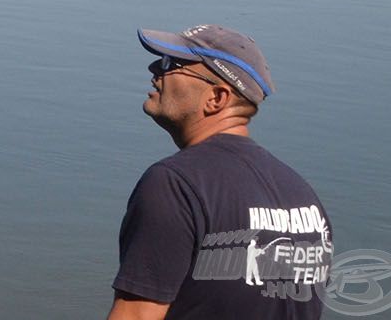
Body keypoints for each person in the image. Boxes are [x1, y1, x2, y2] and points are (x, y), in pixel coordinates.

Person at [109, 24, 331, 319]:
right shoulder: (303, 196)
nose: (154, 70)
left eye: (171, 64)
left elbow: (136, 315)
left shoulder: (175, 184)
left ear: (217, 98)